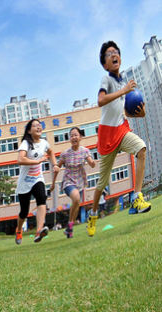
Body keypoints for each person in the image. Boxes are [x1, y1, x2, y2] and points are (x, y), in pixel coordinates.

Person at [89, 41, 151, 236]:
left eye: (116, 52)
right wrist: (124, 91)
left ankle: (137, 197)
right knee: (102, 183)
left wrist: (138, 115)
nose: (114, 54)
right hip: (107, 139)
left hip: (121, 131)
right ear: (105, 64)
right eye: (109, 54)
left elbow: (122, 111)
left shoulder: (121, 82)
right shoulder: (106, 81)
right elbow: (101, 101)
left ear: (120, 58)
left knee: (141, 149)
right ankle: (92, 215)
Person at [15, 119, 59, 245]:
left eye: (40, 125)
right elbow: (20, 159)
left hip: (37, 178)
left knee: (42, 199)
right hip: (24, 181)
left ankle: (39, 230)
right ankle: (19, 230)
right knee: (24, 211)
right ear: (29, 130)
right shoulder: (26, 143)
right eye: (35, 126)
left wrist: (54, 164)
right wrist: (37, 161)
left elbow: (51, 152)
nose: (38, 127)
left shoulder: (44, 142)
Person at [50, 127, 95, 238]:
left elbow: (91, 163)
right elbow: (57, 167)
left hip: (79, 182)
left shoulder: (85, 151)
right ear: (70, 138)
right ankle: (70, 226)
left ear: (80, 137)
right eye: (72, 135)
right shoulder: (65, 154)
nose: (74, 137)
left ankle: (69, 227)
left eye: (76, 135)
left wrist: (92, 162)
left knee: (77, 203)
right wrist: (53, 183)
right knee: (76, 199)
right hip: (68, 182)